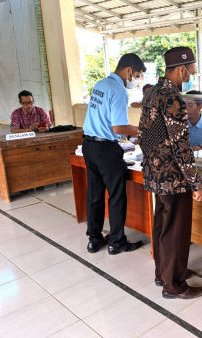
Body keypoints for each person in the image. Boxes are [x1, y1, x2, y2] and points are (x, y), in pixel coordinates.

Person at [138, 46, 202, 299]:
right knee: (176, 231)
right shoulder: (174, 98)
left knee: (162, 226)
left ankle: (164, 273)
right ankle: (173, 286)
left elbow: (143, 135)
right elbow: (181, 146)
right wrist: (196, 182)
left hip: (154, 172)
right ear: (181, 69)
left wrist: (153, 162)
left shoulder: (152, 93)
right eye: (191, 69)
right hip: (174, 178)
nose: (192, 74)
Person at [82, 53, 146, 255]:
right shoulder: (119, 91)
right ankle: (116, 242)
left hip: (89, 146)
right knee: (116, 196)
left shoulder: (100, 84)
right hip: (106, 150)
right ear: (128, 71)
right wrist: (143, 130)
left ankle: (94, 239)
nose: (135, 80)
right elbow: (118, 127)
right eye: (136, 75)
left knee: (94, 194)